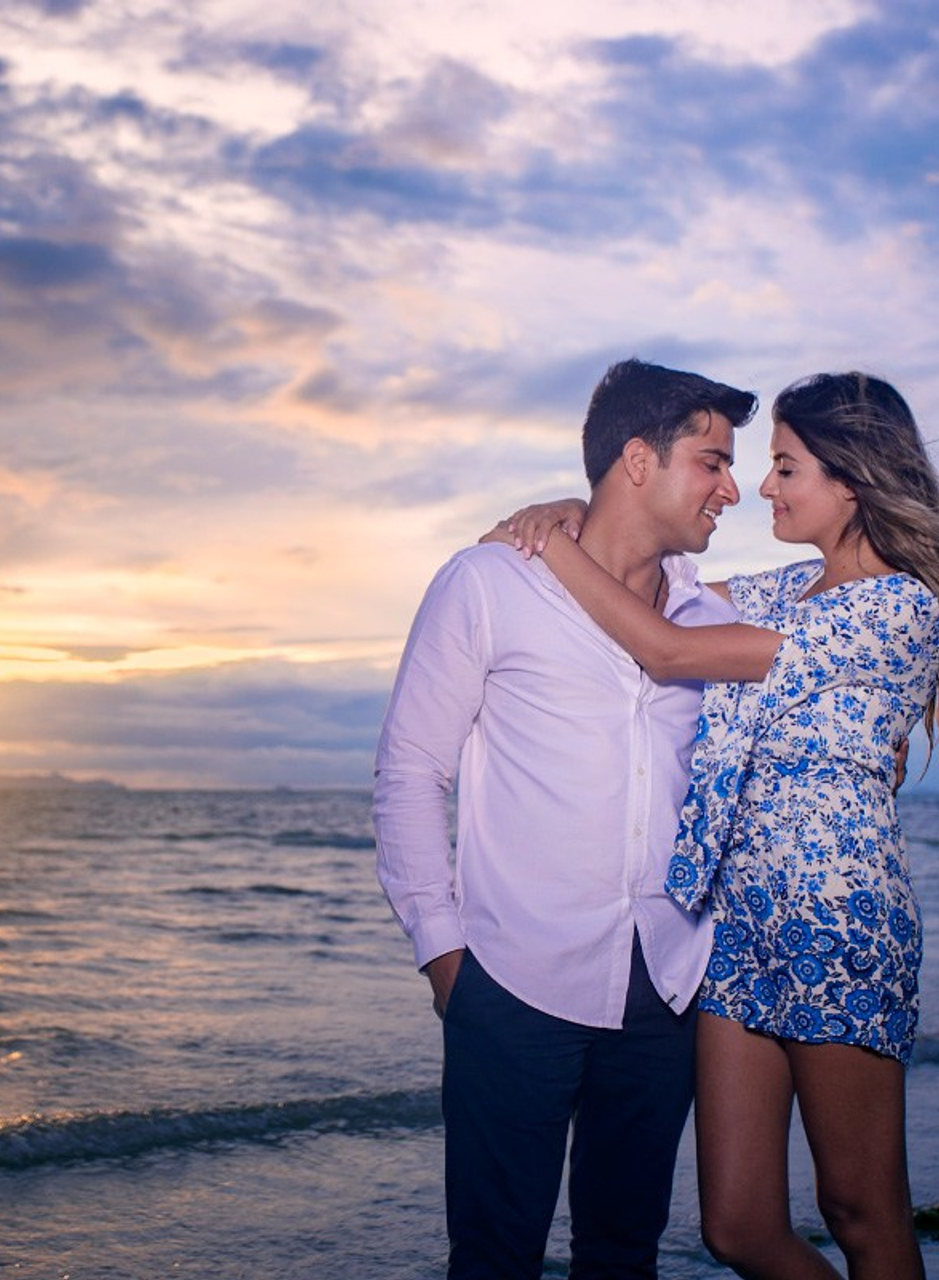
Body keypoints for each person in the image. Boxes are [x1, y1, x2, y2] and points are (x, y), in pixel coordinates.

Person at [484, 371, 939, 1279]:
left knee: (861, 1210)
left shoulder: (902, 610)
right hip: (734, 928)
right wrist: (579, 507)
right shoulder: (784, 594)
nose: (763, 487)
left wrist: (549, 545)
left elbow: (668, 646)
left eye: (785, 467)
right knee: (736, 1228)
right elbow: (655, 571)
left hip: (836, 921)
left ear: (850, 481)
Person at [372, 358, 758, 1279]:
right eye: (711, 462)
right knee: (495, 1259)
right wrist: (446, 961)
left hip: (666, 987)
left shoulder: (717, 613)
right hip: (510, 981)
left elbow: (852, 589)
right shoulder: (487, 582)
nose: (732, 488)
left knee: (624, 1257)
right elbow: (409, 772)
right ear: (638, 460)